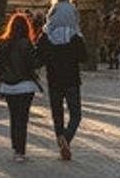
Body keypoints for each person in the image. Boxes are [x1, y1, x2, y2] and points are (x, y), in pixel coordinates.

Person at [35, 10, 86, 161]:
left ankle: (60, 138)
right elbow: (84, 57)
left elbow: (38, 58)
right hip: (72, 80)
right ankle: (67, 138)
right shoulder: (75, 36)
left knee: (57, 113)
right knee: (76, 114)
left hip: (54, 80)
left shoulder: (46, 36)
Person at [0, 12, 40, 163]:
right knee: (22, 118)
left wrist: (3, 69)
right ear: (26, 27)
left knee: (13, 117)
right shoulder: (27, 43)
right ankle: (21, 151)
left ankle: (15, 149)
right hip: (25, 86)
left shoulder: (2, 42)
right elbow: (35, 64)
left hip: (8, 86)